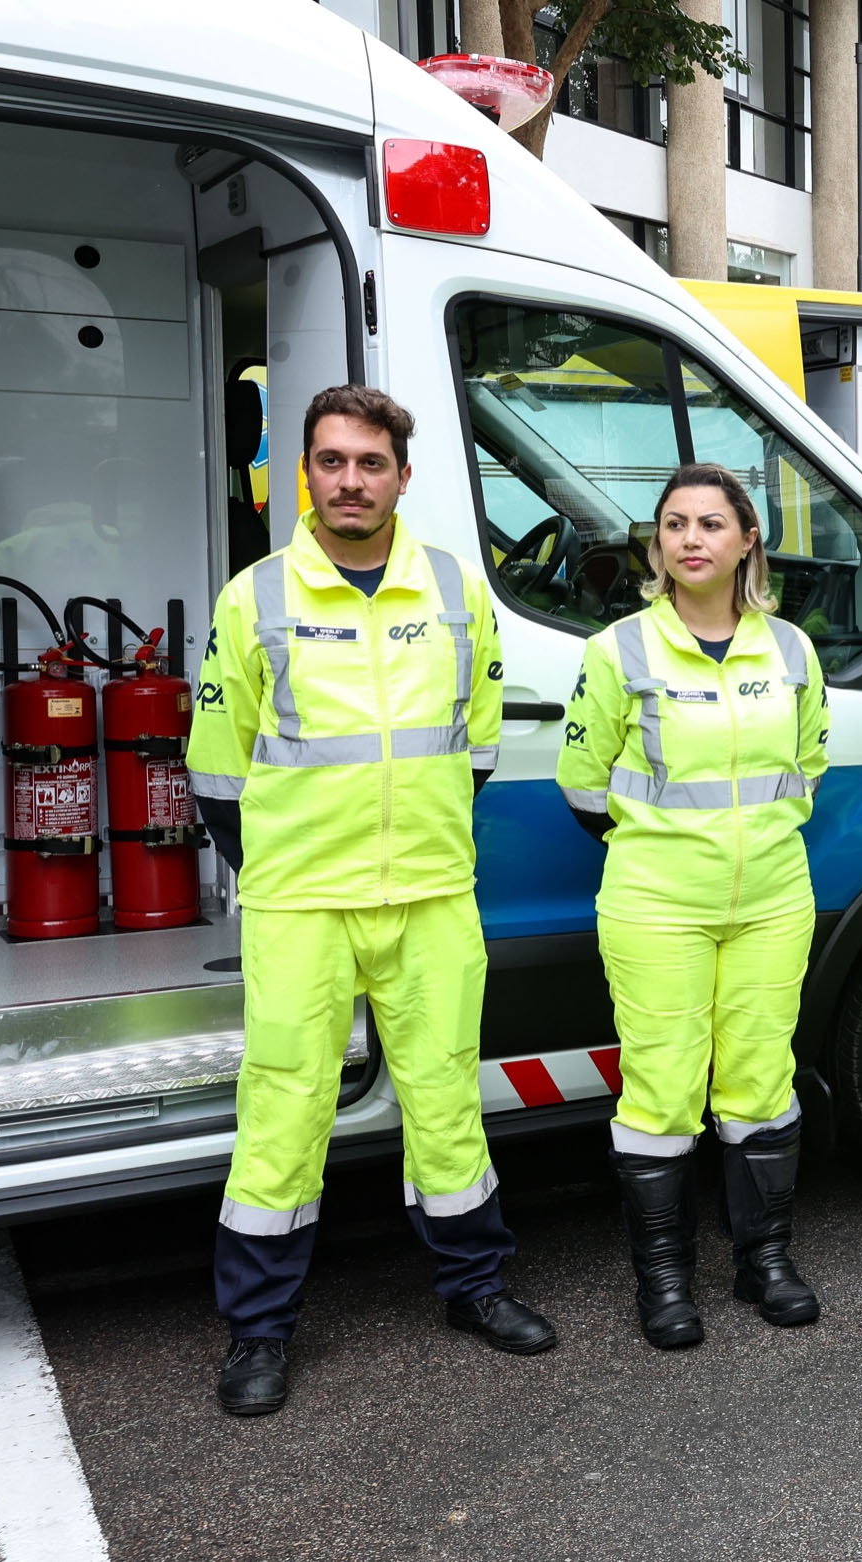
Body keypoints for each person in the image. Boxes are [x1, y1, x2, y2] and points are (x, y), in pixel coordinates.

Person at [187, 385, 552, 1418]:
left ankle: (476, 1286)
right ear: (306, 469)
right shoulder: (256, 596)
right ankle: (258, 1331)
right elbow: (216, 773)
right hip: (305, 900)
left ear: (402, 473)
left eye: (371, 462)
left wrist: (420, 837)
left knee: (447, 1100)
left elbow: (474, 742)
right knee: (283, 1113)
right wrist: (281, 868)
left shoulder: (451, 590)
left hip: (431, 894)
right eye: (332, 459)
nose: (351, 479)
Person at [558, 465, 830, 1350]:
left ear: (747, 539)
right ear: (656, 545)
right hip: (656, 904)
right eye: (674, 525)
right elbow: (582, 782)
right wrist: (665, 853)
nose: (691, 539)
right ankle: (666, 1281)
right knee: (664, 1089)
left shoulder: (790, 650)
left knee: (761, 1082)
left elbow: (808, 769)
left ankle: (766, 1260)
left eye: (711, 523)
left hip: (774, 900)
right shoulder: (620, 652)